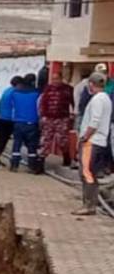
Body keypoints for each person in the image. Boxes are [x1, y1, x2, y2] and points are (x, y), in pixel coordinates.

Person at [75, 73, 111, 216]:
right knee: (92, 173)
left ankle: (88, 205)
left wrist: (85, 136)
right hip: (100, 140)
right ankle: (91, 204)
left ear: (91, 84)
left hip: (92, 141)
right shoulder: (106, 98)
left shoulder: (97, 100)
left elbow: (94, 122)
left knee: (87, 173)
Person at [38, 69, 75, 168]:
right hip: (49, 118)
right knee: (46, 140)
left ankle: (66, 158)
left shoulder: (68, 89)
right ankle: (40, 163)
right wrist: (43, 117)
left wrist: (72, 115)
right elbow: (43, 104)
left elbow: (73, 103)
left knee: (63, 140)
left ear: (61, 79)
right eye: (53, 79)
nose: (55, 81)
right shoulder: (48, 89)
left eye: (57, 79)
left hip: (62, 119)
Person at [8, 74, 42, 174]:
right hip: (32, 123)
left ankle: (14, 165)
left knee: (17, 144)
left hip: (18, 122)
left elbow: (12, 106)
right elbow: (39, 108)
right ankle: (31, 166)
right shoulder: (37, 93)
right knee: (32, 146)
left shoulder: (15, 93)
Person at [0, 76, 20, 167]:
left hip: (1, 118)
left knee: (0, 140)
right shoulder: (15, 93)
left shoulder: (6, 91)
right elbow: (15, 106)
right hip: (10, 119)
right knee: (14, 140)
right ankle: (14, 161)